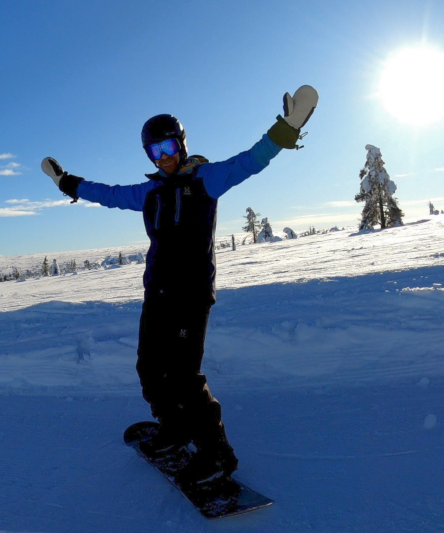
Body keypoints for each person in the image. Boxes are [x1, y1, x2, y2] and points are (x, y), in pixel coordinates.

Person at [42, 86, 318, 485]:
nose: (165, 157)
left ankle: (217, 453)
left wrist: (287, 128)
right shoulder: (150, 192)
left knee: (185, 377)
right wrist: (67, 182)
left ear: (182, 144)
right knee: (150, 370)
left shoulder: (206, 179)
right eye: (155, 152)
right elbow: (108, 194)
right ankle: (174, 428)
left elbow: (251, 161)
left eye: (169, 146)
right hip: (157, 294)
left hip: (190, 297)